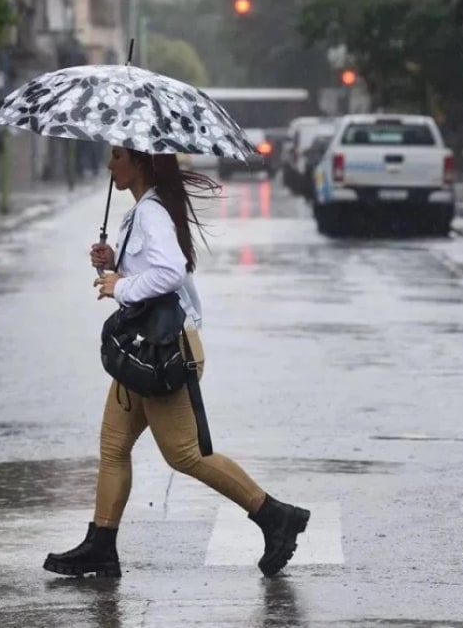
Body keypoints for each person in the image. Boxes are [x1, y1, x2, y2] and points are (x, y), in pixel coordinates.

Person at [43, 147, 310, 579]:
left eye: (117, 157)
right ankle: (101, 545)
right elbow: (156, 269)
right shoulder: (143, 212)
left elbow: (169, 272)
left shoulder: (151, 214)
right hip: (145, 347)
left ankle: (275, 516)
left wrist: (120, 286)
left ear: (142, 163)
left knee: (185, 454)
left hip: (165, 351)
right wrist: (114, 263)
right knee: (114, 447)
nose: (110, 166)